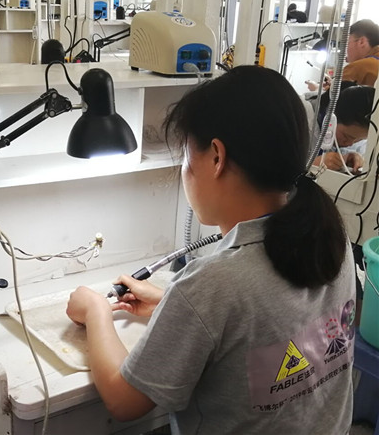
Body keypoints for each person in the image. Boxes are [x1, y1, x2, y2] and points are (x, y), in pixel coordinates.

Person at [67, 66, 355, 434]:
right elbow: (271, 318)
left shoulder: (213, 285)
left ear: (216, 157)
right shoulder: (329, 235)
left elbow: (124, 401)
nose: (185, 172)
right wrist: (171, 304)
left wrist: (96, 312)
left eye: (187, 157)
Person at [310, 84, 375, 173]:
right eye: (346, 136)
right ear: (332, 119)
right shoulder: (305, 120)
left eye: (358, 140)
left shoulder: (355, 136)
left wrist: (346, 159)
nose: (350, 144)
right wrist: (312, 164)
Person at [307, 19, 379, 91]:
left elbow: (332, 96)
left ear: (361, 42)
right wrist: (332, 84)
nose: (346, 49)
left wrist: (317, 88)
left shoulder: (359, 67)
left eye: (348, 43)